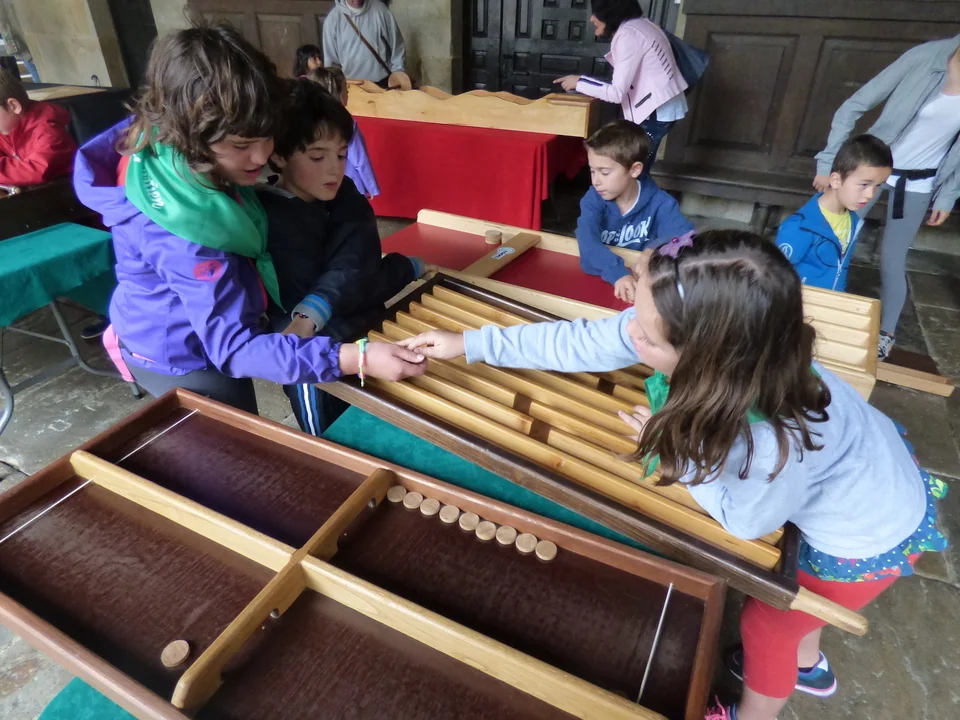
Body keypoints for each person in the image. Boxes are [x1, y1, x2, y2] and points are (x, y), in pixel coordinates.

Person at [397, 229, 946, 720]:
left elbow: (746, 521)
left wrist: (682, 464)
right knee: (799, 622)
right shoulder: (731, 337)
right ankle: (806, 661)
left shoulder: (774, 444)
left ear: (708, 361)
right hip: (872, 476)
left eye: (648, 338)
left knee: (768, 626)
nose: (630, 334)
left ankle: (759, 708)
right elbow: (583, 340)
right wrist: (469, 344)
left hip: (865, 538)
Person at [72, 25, 425, 414]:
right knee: (232, 429)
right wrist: (356, 357)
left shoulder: (175, 138)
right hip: (180, 353)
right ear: (190, 135)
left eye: (267, 137)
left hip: (208, 323)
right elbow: (234, 348)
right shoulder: (183, 234)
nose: (261, 157)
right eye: (242, 144)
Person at [259, 79, 429, 434]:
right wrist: (402, 269)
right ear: (278, 155)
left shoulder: (345, 194)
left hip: (370, 332)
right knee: (331, 436)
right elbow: (341, 280)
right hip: (310, 351)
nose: (334, 169)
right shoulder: (263, 215)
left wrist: (403, 268)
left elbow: (355, 265)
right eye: (317, 156)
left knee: (388, 422)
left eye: (340, 154)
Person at [813, 34, 960, 360]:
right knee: (831, 241)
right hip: (869, 170)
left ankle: (886, 334)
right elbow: (853, 105)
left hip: (919, 181)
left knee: (892, 260)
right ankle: (813, 312)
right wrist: (828, 162)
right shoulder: (925, 57)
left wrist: (947, 195)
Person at [553, 0, 687, 174]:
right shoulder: (641, 25)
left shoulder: (628, 35)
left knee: (633, 173)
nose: (592, 19)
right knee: (636, 170)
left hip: (654, 112)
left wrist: (579, 82)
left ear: (611, 13)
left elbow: (616, 93)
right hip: (661, 108)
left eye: (597, 13)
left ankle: (640, 192)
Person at [577, 120, 694, 303]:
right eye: (592, 171)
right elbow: (587, 240)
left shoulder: (660, 202)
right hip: (603, 281)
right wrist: (617, 272)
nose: (596, 181)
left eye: (604, 172)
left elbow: (684, 235)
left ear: (634, 170)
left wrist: (653, 251)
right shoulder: (593, 201)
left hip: (642, 290)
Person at [777, 135, 892, 291]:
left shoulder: (853, 220)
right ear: (836, 180)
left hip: (831, 300)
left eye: (878, 185)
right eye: (864, 184)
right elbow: (775, 278)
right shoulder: (801, 226)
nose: (870, 195)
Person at [306, 66, 379, 197]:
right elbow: (360, 161)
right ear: (337, 93)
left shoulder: (308, 123)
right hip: (349, 185)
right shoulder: (346, 124)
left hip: (317, 184)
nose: (348, 92)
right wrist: (372, 188)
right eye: (345, 87)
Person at [0, 68, 75, 186]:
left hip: (63, 190)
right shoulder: (7, 128)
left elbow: (38, 170)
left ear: (13, 106)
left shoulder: (48, 131)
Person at [322, 0, 411, 90]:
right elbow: (331, 63)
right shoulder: (332, 20)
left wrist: (398, 74)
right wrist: (337, 89)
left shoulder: (381, 10)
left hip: (383, 84)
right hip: (351, 87)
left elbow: (397, 47)